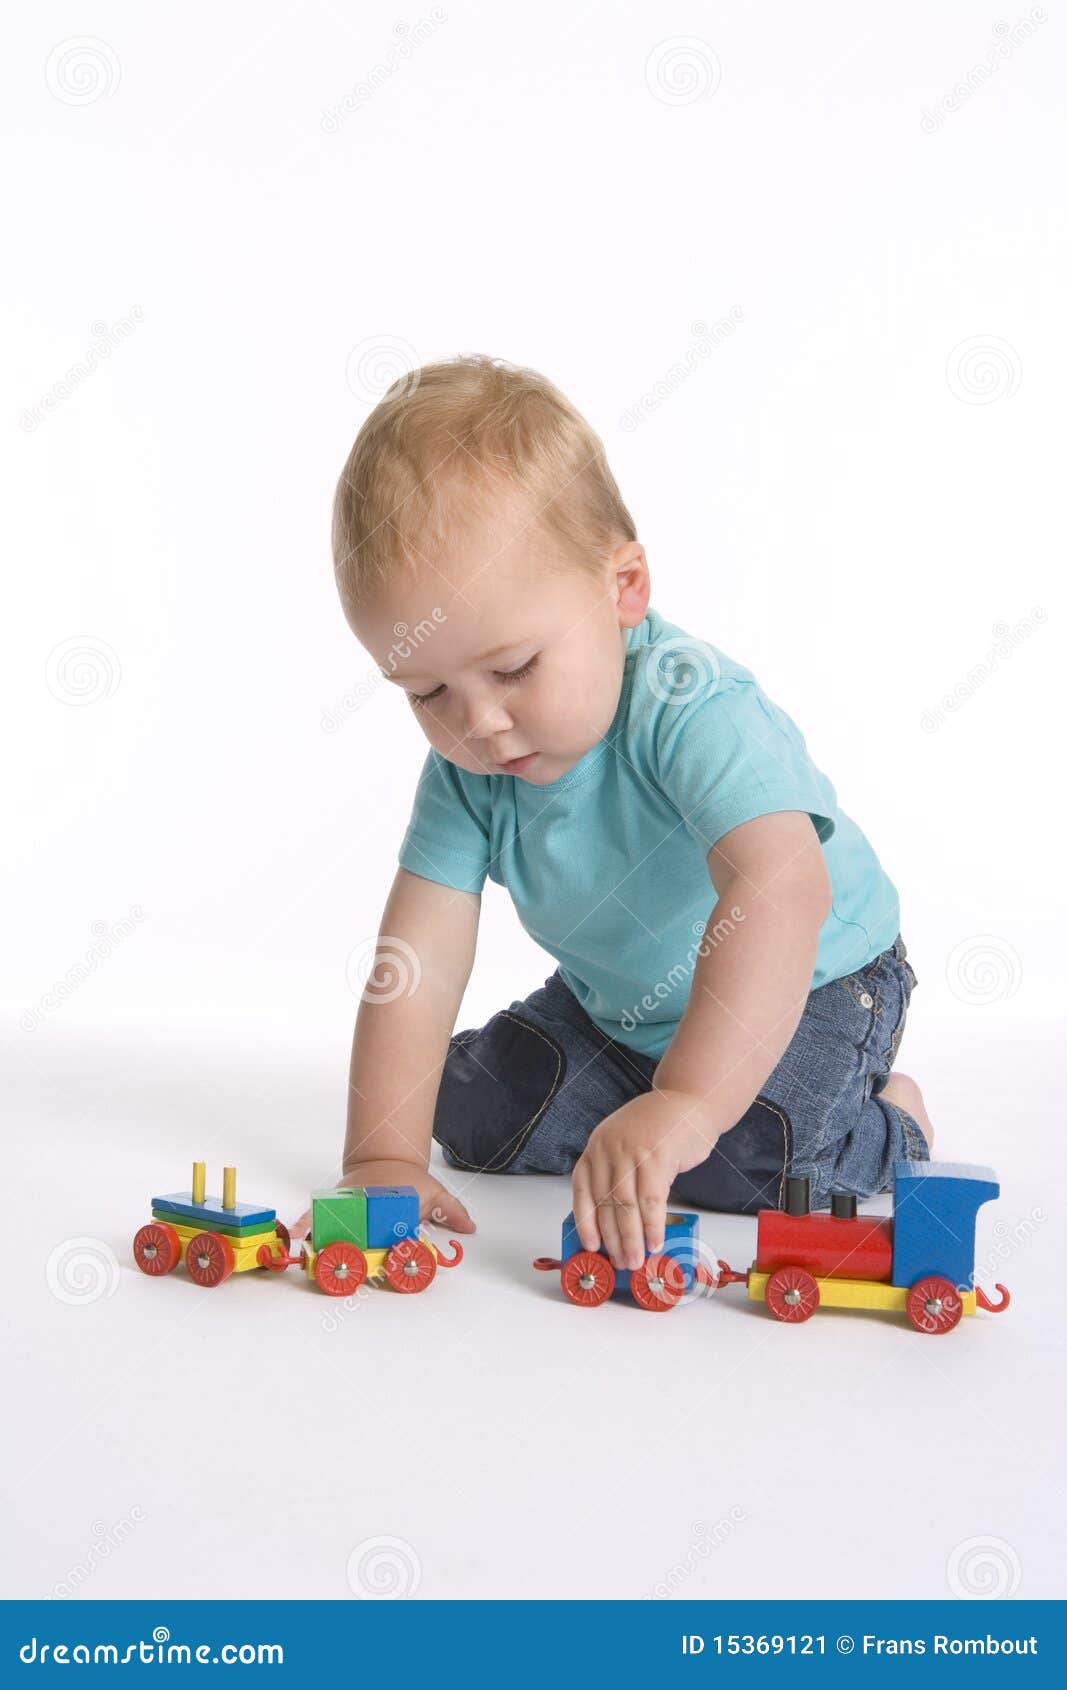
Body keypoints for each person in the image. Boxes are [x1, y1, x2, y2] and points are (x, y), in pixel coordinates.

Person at [304, 354, 930, 1273]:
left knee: (754, 1153)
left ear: (622, 586)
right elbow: (418, 959)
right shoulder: (471, 767)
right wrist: (379, 1154)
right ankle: (643, 1113)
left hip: (815, 986)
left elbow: (779, 888)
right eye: (427, 690)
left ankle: (892, 1124)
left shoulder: (691, 708)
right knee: (472, 1109)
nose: (478, 722)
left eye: (513, 669)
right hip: (621, 1014)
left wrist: (685, 1103)